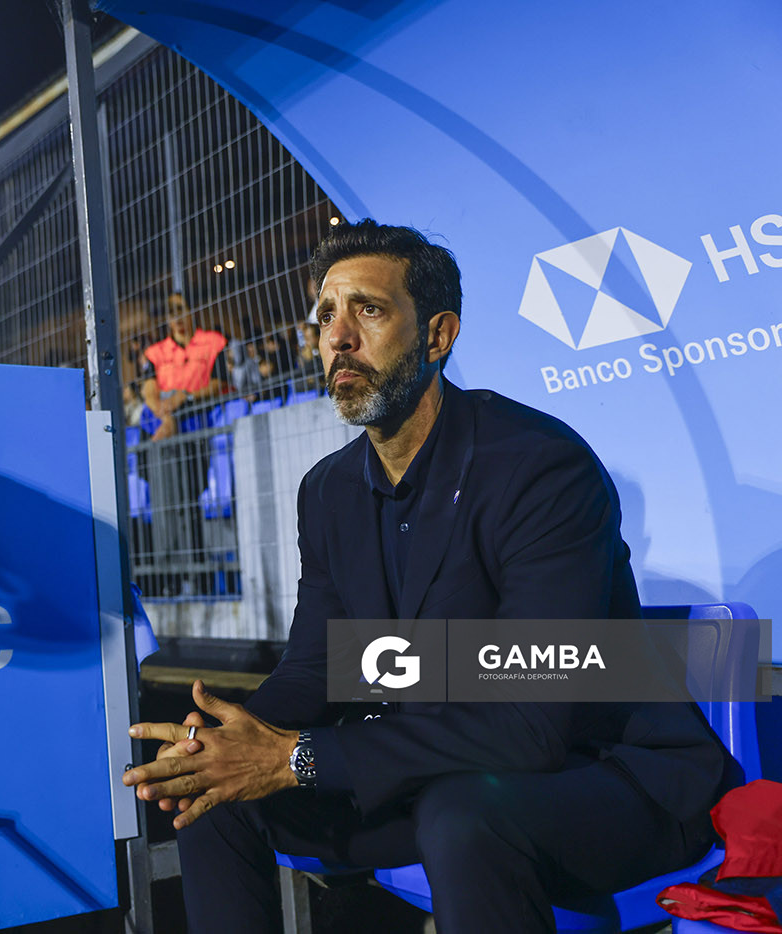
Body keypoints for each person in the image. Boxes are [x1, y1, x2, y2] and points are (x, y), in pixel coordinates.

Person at [122, 220, 740, 933]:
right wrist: (231, 740)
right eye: (326, 315)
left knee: (463, 812)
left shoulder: (540, 468)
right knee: (216, 797)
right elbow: (320, 667)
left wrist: (300, 758)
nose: (338, 337)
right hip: (445, 775)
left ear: (439, 336)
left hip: (608, 775)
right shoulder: (327, 490)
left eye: (370, 311)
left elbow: (530, 726)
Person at [140, 292, 229, 440]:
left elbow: (218, 382)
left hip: (198, 410)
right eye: (171, 312)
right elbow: (149, 390)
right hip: (163, 412)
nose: (176, 316)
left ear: (192, 311)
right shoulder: (155, 352)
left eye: (180, 309)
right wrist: (165, 417)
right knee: (150, 418)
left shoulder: (214, 342)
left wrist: (184, 396)